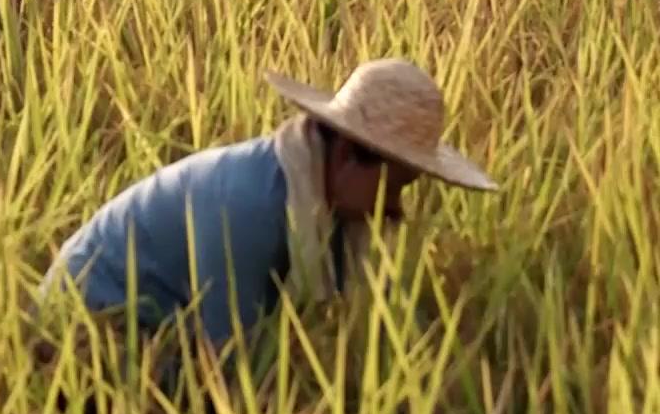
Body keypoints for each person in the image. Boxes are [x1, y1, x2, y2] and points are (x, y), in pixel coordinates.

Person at [39, 59, 496, 353]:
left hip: (161, 321)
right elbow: (223, 361)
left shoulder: (315, 202)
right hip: (86, 320)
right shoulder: (250, 208)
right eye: (393, 188)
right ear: (347, 156)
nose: (395, 209)